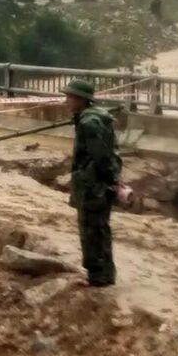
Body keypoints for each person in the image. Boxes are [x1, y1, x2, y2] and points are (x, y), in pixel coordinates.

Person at [64, 78, 127, 287]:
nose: (66, 101)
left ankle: (98, 276)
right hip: (100, 183)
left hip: (93, 186)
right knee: (101, 228)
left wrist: (112, 181)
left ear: (81, 99)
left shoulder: (88, 122)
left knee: (91, 230)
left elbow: (100, 157)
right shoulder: (98, 117)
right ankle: (106, 273)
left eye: (70, 97)